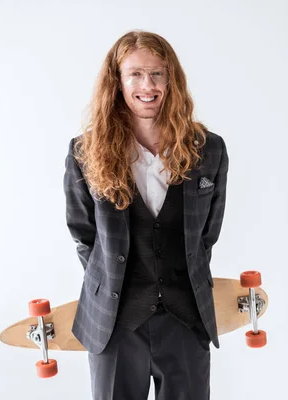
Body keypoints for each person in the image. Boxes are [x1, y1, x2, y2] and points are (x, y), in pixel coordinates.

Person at [63, 30, 229, 400]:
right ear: (117, 81)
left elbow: (206, 235)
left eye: (157, 73)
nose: (147, 85)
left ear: (171, 79)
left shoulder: (209, 150)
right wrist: (114, 284)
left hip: (186, 317)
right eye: (135, 74)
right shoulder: (85, 153)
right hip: (114, 325)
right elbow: (84, 234)